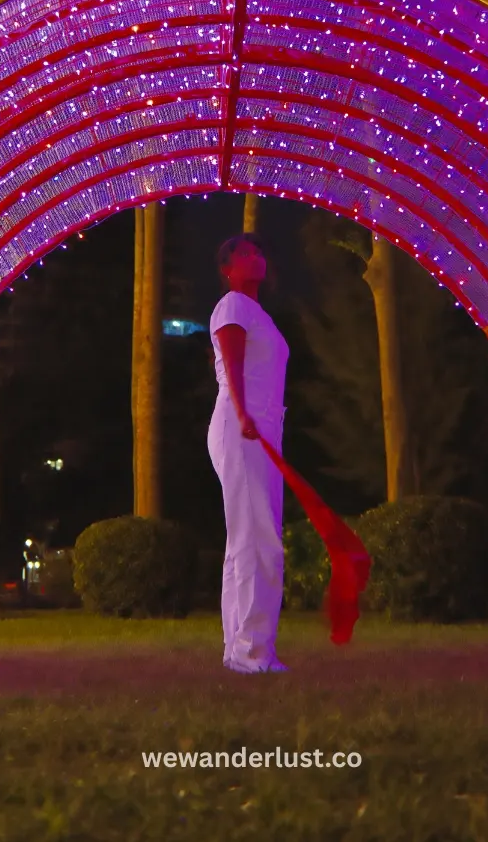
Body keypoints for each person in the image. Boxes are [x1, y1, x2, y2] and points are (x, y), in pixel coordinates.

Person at [207, 232, 290, 674]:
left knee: (246, 538)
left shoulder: (259, 314)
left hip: (261, 429)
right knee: (258, 539)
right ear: (227, 269)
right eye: (243, 253)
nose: (255, 257)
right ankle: (253, 653)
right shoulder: (233, 306)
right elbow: (232, 363)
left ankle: (239, 648)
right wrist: (243, 414)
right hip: (244, 427)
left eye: (258, 251)